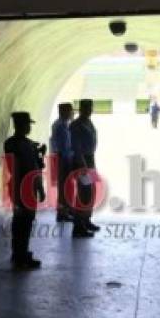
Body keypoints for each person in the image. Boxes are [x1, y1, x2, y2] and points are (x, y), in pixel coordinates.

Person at [4, 112, 45, 268]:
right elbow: (18, 167)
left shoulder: (20, 143)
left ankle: (21, 253)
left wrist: (38, 154)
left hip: (28, 186)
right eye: (27, 124)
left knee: (25, 221)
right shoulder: (16, 144)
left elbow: (36, 167)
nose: (29, 127)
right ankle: (20, 254)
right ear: (20, 125)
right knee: (21, 222)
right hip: (21, 186)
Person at [69, 98, 101, 238]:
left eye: (90, 107)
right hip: (82, 161)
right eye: (87, 107)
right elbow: (76, 147)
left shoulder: (88, 122)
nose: (89, 109)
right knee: (83, 193)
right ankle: (78, 226)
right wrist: (82, 165)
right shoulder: (76, 125)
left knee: (91, 191)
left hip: (90, 159)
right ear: (81, 109)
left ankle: (86, 220)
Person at [50, 103, 75, 223]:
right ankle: (62, 212)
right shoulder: (60, 125)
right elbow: (62, 146)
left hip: (64, 158)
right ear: (64, 112)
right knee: (64, 186)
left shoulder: (62, 124)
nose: (72, 113)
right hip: (62, 159)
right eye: (70, 111)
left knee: (65, 186)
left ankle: (66, 210)